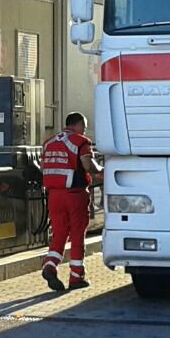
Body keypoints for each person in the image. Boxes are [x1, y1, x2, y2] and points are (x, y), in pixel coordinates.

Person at [40, 112, 102, 292]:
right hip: (75, 194)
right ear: (78, 124)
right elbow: (88, 165)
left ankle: (50, 265)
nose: (84, 129)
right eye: (84, 125)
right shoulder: (80, 142)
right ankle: (76, 276)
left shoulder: (48, 143)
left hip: (54, 195)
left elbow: (44, 167)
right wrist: (102, 170)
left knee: (59, 233)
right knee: (77, 234)